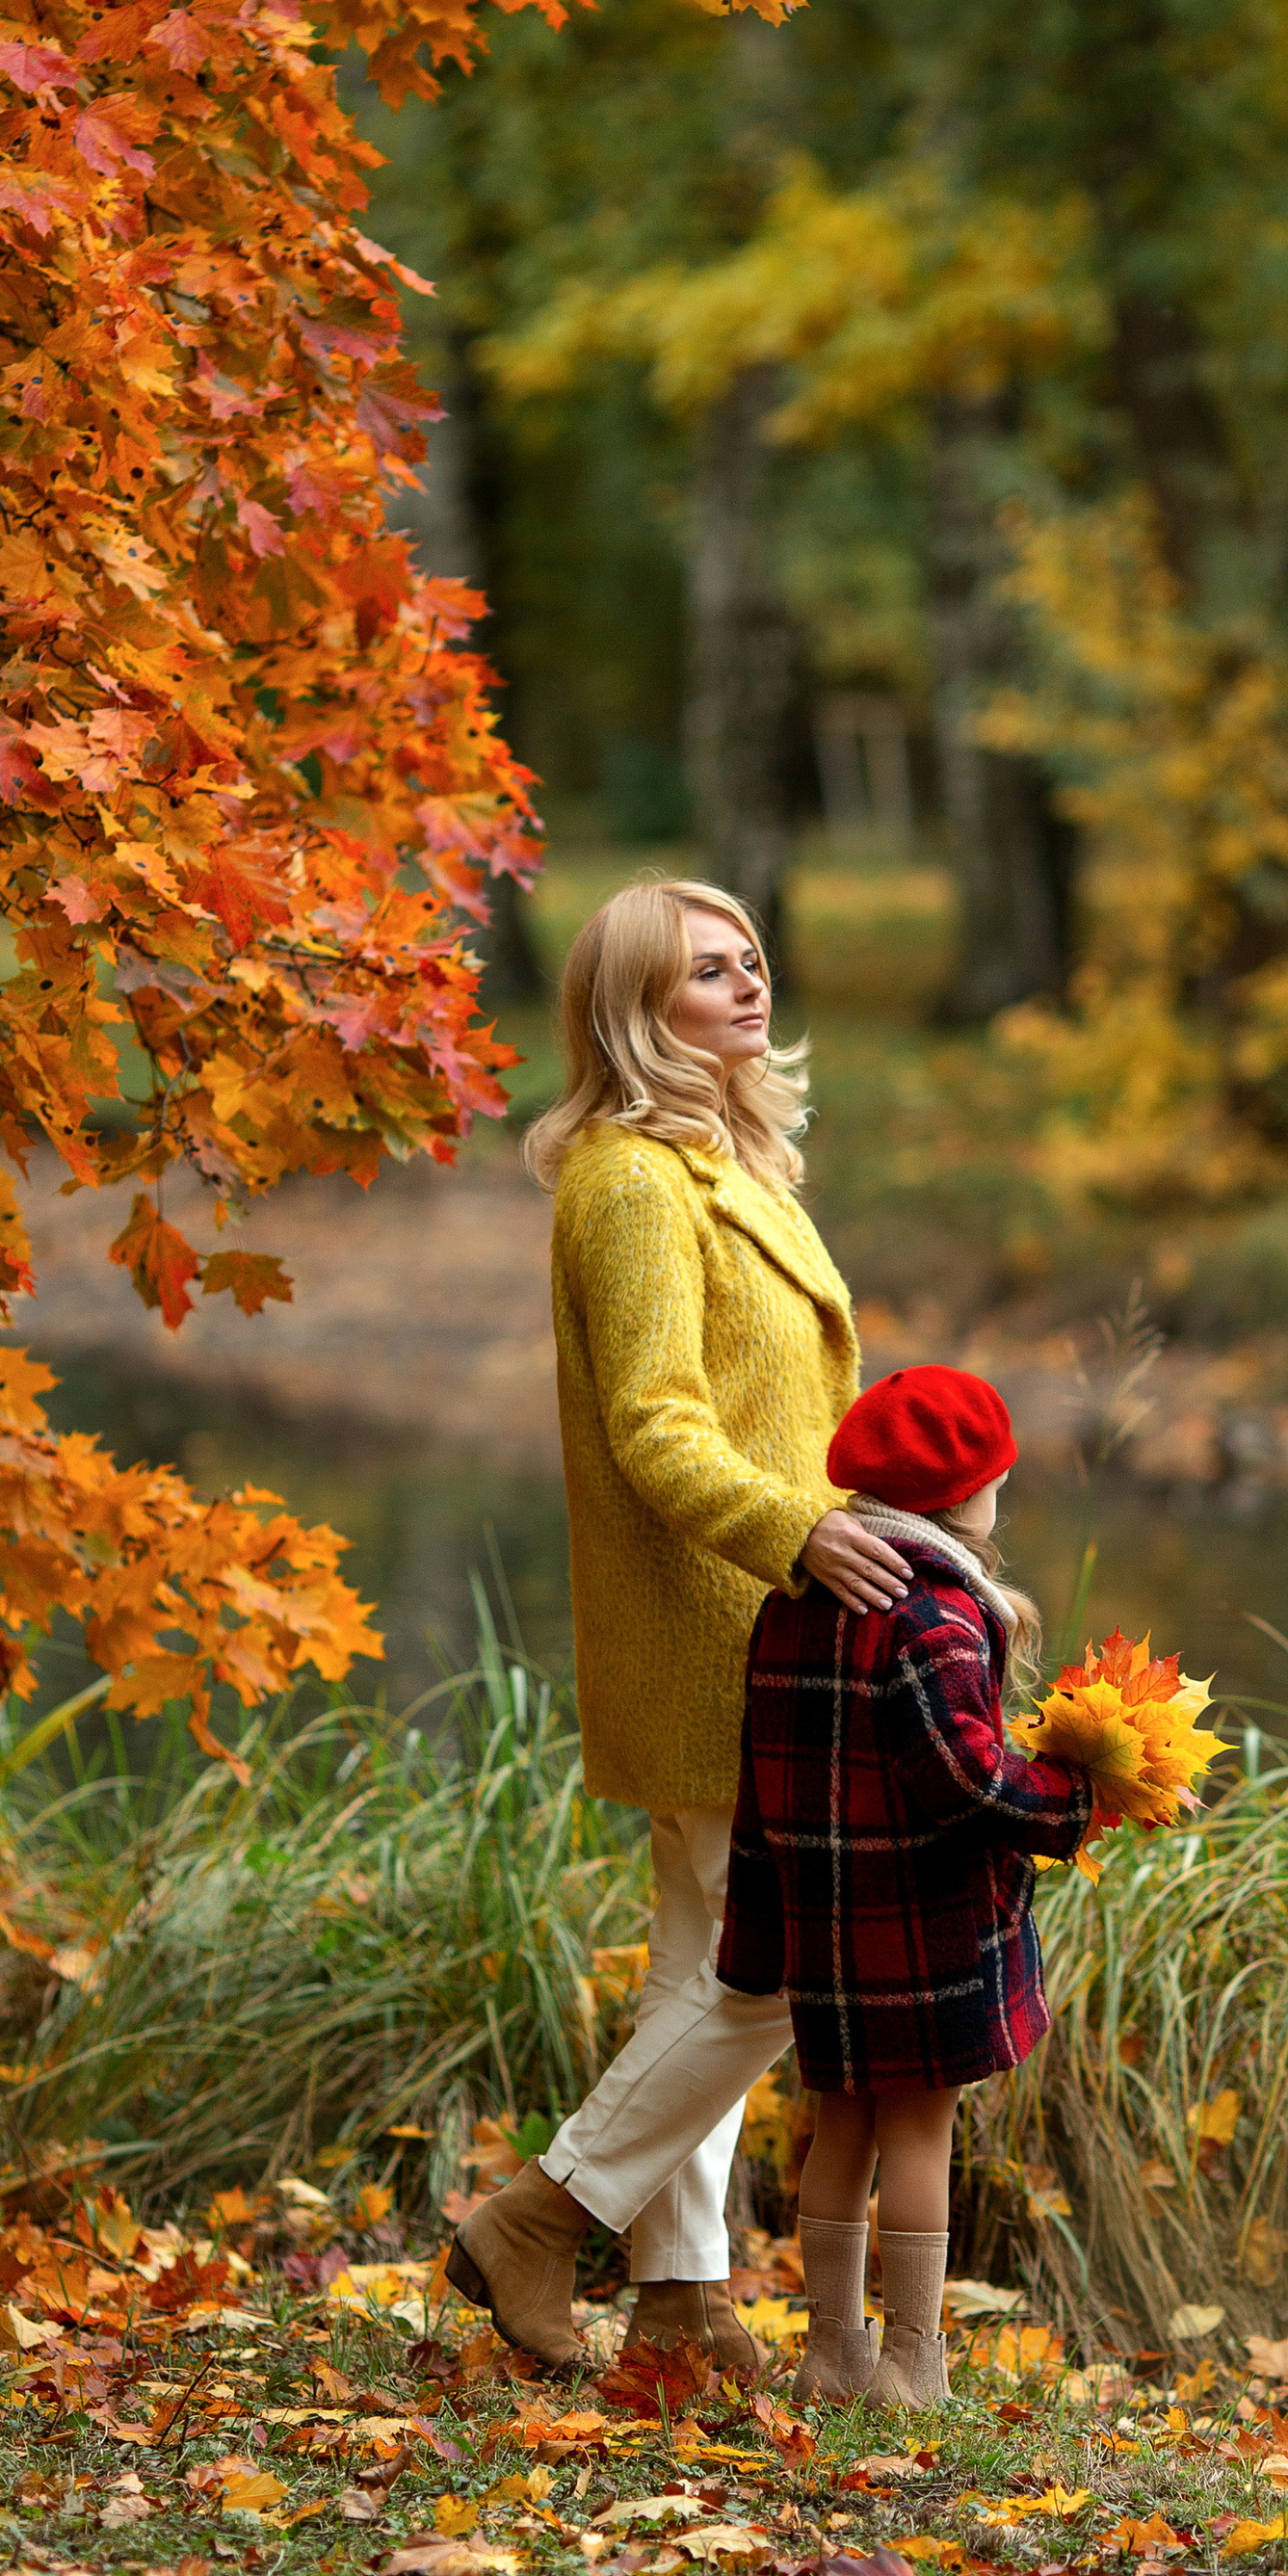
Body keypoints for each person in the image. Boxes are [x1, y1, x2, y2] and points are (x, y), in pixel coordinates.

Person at [446, 880, 912, 2376]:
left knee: (703, 1966)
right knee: (776, 1977)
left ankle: (680, 2306)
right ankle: (542, 2215)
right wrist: (800, 1535)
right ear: (637, 1012)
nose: (749, 988)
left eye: (752, 963)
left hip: (765, 1620)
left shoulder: (737, 1163)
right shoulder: (631, 1181)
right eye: (708, 976)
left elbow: (790, 1407)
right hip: (726, 1624)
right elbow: (658, 1425)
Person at [718, 1365, 1095, 2408]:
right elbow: (964, 1780)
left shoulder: (793, 1600)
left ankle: (831, 2355)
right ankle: (912, 2366)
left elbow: (757, 1782)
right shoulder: (932, 1613)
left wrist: (756, 1930)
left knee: (838, 2128)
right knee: (919, 2134)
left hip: (824, 1924)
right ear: (964, 1497)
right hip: (918, 1928)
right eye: (994, 1482)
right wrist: (1071, 1796)